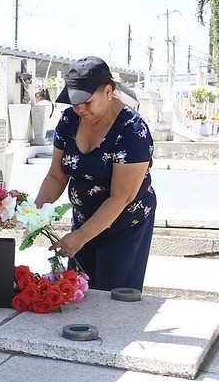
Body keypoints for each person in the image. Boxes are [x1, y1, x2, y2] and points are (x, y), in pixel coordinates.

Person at [33, 56, 156, 291]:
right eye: (73, 102)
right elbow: (56, 176)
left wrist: (80, 237)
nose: (79, 108)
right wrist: (34, 210)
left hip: (124, 224)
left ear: (108, 91)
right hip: (83, 219)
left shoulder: (132, 130)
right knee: (78, 292)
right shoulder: (70, 120)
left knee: (113, 299)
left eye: (86, 101)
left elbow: (122, 196)